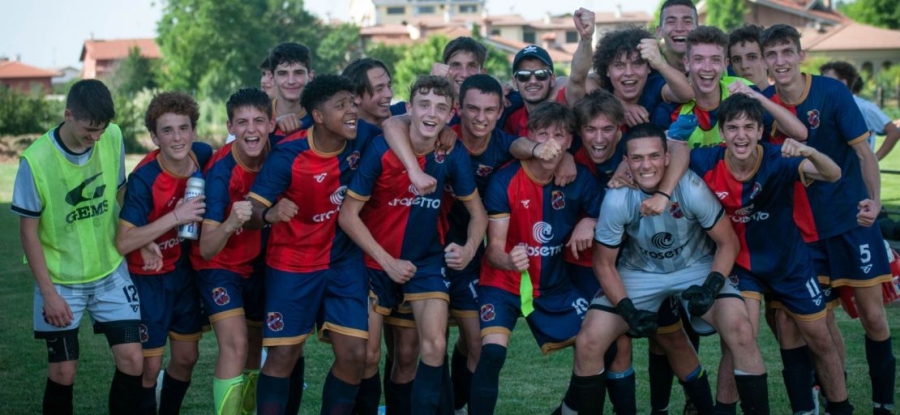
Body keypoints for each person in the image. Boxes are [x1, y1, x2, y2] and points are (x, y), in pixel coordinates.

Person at [568, 123, 769, 415]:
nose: (646, 165)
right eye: (637, 158)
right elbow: (603, 263)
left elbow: (728, 244)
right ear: (626, 162)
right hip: (639, 273)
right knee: (588, 341)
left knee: (741, 329)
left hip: (696, 267)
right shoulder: (617, 198)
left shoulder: (691, 188)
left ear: (666, 158)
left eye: (653, 156)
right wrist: (627, 310)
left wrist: (711, 286)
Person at [761, 24, 895, 415]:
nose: (781, 61)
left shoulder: (832, 92)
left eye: (787, 51)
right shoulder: (765, 102)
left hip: (852, 220)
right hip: (804, 230)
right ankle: (834, 400)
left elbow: (864, 154)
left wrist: (874, 202)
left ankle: (883, 405)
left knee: (873, 316)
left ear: (800, 55)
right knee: (810, 323)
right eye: (772, 54)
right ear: (765, 62)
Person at [689, 94, 851, 414]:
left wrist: (808, 150)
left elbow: (833, 173)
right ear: (722, 132)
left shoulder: (779, 158)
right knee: (739, 338)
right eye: (733, 128)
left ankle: (839, 408)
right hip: (741, 264)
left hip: (789, 263)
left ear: (760, 131)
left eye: (749, 127)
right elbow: (669, 157)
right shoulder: (706, 160)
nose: (741, 135)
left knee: (820, 338)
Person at [339, 75, 487, 415]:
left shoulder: (451, 153)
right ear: (409, 108)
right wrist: (387, 261)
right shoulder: (382, 148)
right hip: (375, 263)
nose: (431, 113)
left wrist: (468, 248)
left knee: (425, 349)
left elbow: (478, 214)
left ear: (450, 114)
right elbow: (348, 215)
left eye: (440, 107)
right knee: (368, 356)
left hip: (425, 261)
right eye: (424, 105)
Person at [12, 79, 144, 414]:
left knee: (133, 359)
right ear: (68, 115)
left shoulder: (113, 136)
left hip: (111, 272)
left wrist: (141, 236)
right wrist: (49, 294)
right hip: (60, 281)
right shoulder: (35, 161)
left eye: (102, 129)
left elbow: (121, 192)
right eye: (89, 130)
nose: (96, 137)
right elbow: (28, 233)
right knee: (63, 371)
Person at [246, 75, 375, 415]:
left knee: (355, 356)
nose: (352, 111)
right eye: (341, 106)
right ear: (318, 116)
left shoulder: (363, 136)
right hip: (293, 263)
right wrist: (270, 213)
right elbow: (250, 212)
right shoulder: (288, 154)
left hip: (343, 263)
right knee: (283, 355)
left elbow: (398, 124)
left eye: (352, 103)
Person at [469, 102, 600, 415]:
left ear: (570, 141)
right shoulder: (505, 180)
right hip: (503, 282)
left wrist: (591, 220)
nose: (552, 142)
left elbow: (606, 213)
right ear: (530, 137)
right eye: (543, 134)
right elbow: (493, 249)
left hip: (555, 285)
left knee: (600, 342)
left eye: (560, 135)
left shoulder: (580, 178)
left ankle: (568, 410)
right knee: (492, 354)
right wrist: (508, 260)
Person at [116, 91, 213, 414]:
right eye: (167, 130)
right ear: (155, 137)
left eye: (183, 128)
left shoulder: (202, 154)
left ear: (194, 131)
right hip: (149, 277)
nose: (177, 137)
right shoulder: (145, 178)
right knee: (149, 367)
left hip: (183, 271)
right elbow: (123, 242)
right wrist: (176, 217)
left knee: (187, 357)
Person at [192, 88, 274, 415]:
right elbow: (207, 248)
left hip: (259, 263)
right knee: (236, 344)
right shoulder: (220, 172)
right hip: (219, 266)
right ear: (230, 126)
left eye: (258, 121)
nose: (251, 130)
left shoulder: (279, 154)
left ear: (271, 124)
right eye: (242, 122)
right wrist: (230, 223)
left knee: (254, 348)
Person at [503, 8, 595, 137]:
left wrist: (586, 39)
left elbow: (577, 77)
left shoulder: (565, 103)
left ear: (552, 79)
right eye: (524, 76)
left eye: (540, 74)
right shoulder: (512, 118)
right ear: (514, 82)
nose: (533, 81)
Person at [820, 60, 900, 161]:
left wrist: (874, 160)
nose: (822, 84)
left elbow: (893, 132)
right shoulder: (821, 106)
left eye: (827, 80)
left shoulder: (863, 107)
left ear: (843, 83)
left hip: (855, 169)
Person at [268, 42, 314, 135]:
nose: (291, 81)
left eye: (298, 73)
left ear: (310, 76)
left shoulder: (321, 118)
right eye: (283, 73)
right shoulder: (258, 115)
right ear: (272, 78)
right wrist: (272, 124)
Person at [656, 0, 697, 74]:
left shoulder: (711, 68)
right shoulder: (647, 72)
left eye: (687, 22)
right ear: (659, 31)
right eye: (671, 22)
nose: (679, 28)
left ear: (698, 30)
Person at [728, 24, 770, 89]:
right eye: (737, 60)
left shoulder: (783, 94)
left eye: (752, 57)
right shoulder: (725, 95)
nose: (744, 66)